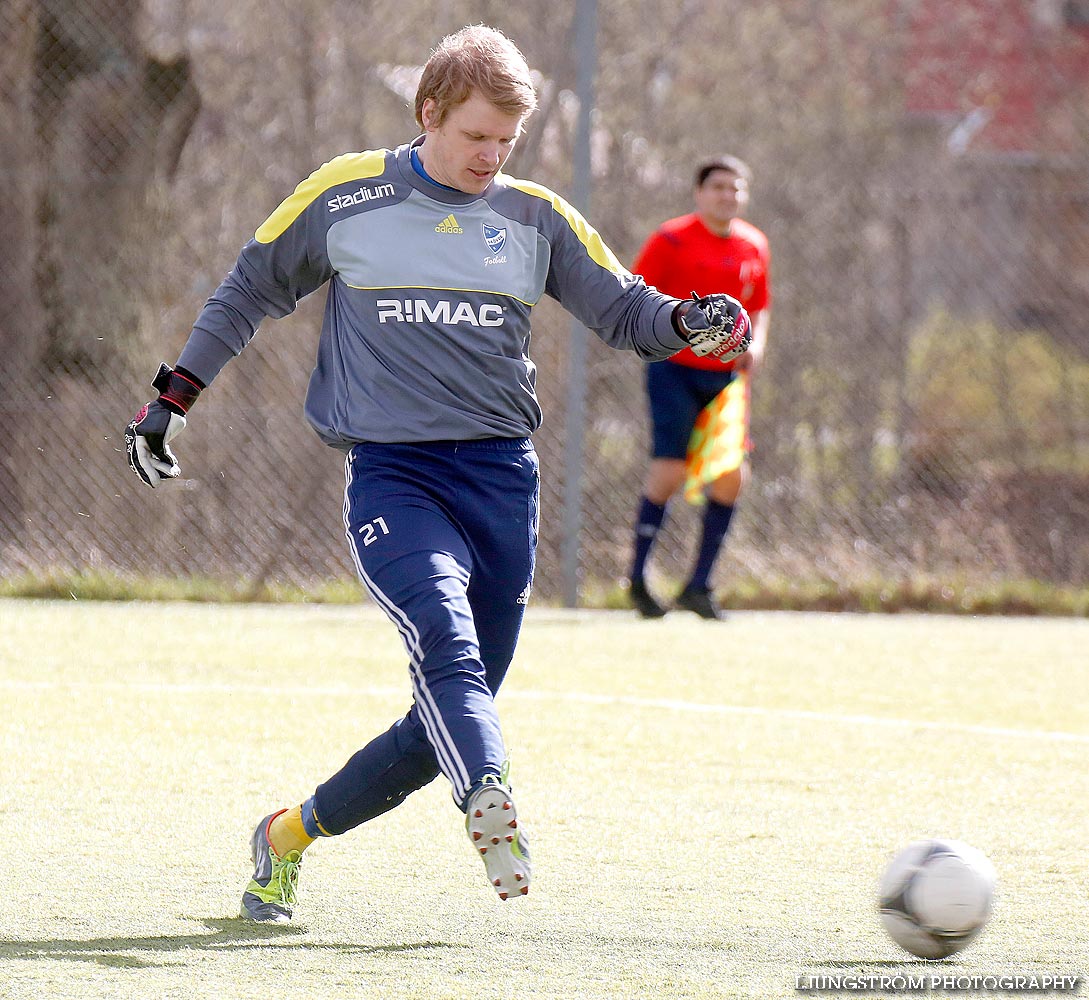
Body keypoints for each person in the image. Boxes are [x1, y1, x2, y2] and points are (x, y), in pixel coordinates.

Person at [124, 25, 750, 922]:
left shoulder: (535, 216)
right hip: (395, 480)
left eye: (505, 142)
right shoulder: (346, 196)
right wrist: (171, 396)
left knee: (445, 717)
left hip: (501, 481)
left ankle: (285, 836)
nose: (490, 157)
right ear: (428, 115)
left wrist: (692, 318)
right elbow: (250, 287)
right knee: (448, 653)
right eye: (473, 138)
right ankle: (489, 797)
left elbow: (623, 314)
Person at [626, 155, 771, 621]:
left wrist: (756, 344)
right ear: (699, 192)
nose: (727, 195)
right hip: (674, 369)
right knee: (669, 473)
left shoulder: (754, 244)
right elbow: (636, 294)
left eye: (735, 188)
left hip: (727, 378)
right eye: (717, 187)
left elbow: (759, 306)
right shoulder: (670, 239)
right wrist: (674, 329)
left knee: (731, 477)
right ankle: (638, 579)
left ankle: (699, 584)